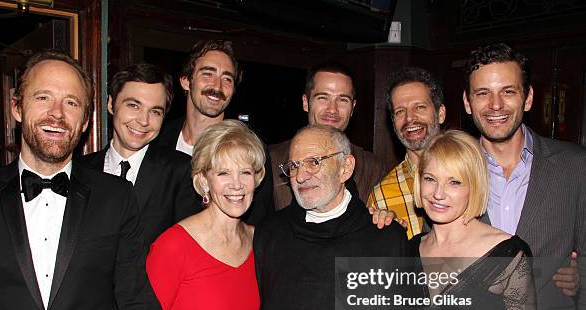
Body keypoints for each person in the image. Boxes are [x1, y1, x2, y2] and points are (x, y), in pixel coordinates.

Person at [0, 50, 187, 310]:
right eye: (44, 98)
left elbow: (136, 297)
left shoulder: (117, 198)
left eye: (71, 102)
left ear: (86, 118)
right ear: (17, 107)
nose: (57, 114)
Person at [253, 125, 413, 310]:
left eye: (314, 162)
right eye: (294, 166)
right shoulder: (270, 233)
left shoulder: (383, 239)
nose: (300, 177)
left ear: (346, 167)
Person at [463, 43, 585, 310]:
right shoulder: (451, 172)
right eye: (483, 93)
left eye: (508, 91)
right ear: (467, 102)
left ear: (528, 97)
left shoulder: (575, 166)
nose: (494, 104)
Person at [397, 130, 540, 310]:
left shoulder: (509, 255)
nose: (438, 193)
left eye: (454, 181)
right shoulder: (409, 249)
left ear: (473, 186)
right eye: (430, 178)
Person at [129, 120, 264, 310]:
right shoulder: (174, 245)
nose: (236, 184)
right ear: (204, 181)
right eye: (223, 173)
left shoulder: (263, 243)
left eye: (245, 172)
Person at [81, 63, 200, 249]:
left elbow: (188, 251)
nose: (143, 121)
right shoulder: (79, 170)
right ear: (111, 104)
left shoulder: (181, 172)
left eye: (155, 111)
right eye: (133, 105)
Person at [156, 39, 273, 225]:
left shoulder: (248, 145)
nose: (217, 86)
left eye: (227, 79)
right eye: (208, 74)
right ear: (186, 81)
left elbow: (261, 224)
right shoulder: (158, 139)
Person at [269, 61, 384, 210]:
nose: (332, 109)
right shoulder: (271, 161)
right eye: (323, 97)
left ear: (352, 108)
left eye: (342, 100)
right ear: (306, 102)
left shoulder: (373, 169)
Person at [367, 67, 446, 238]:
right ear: (393, 123)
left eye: (420, 107)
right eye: (400, 111)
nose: (410, 118)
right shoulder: (382, 197)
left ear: (441, 114)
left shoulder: (472, 172)